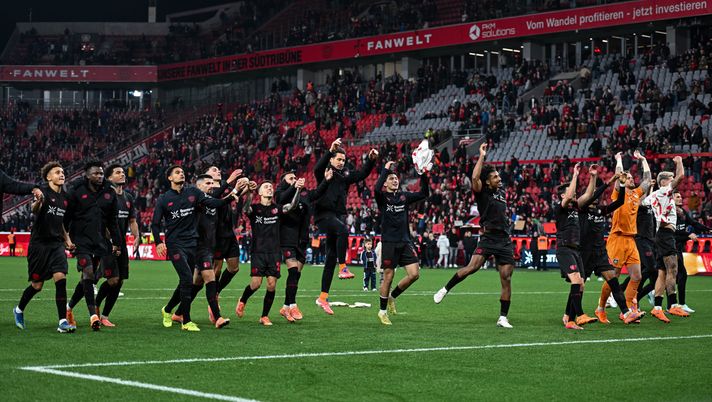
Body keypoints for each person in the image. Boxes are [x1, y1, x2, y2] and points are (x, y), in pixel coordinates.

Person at [433, 143, 514, 329]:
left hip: (504, 240)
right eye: (494, 177)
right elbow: (475, 177)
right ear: (487, 182)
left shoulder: (501, 193)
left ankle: (503, 317)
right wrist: (481, 156)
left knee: (506, 278)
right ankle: (445, 289)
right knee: (472, 268)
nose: (498, 178)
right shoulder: (482, 192)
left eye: (498, 176)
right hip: (488, 238)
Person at [154, 165, 238, 332]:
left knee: (191, 282)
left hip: (192, 243)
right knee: (187, 279)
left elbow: (214, 202)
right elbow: (155, 224)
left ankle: (169, 310)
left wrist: (233, 195)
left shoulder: (193, 193)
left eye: (182, 171)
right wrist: (158, 242)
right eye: (177, 172)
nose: (181, 173)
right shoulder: (164, 199)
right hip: (175, 244)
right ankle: (186, 320)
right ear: (170, 178)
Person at [312, 138, 378, 315]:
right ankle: (343, 267)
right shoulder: (325, 172)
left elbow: (362, 174)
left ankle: (323, 298)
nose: (341, 162)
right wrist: (329, 149)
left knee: (330, 258)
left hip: (336, 215)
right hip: (323, 215)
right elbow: (316, 169)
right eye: (338, 159)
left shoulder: (345, 175)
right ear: (332, 160)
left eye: (343, 160)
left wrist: (371, 160)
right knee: (343, 230)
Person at [235, 177, 310, 326]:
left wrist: (298, 190)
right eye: (266, 187)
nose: (269, 188)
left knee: (271, 284)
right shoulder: (255, 209)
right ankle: (243, 299)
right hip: (258, 251)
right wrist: (249, 193)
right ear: (260, 192)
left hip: (274, 252)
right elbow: (245, 209)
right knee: (256, 284)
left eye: (271, 186)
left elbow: (292, 205)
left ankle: (264, 316)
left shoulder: (277, 209)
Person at [13, 162, 76, 333]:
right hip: (39, 245)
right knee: (37, 285)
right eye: (57, 172)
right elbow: (35, 210)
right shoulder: (43, 192)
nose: (61, 174)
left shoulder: (64, 198)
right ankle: (18, 309)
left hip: (56, 244)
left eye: (63, 172)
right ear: (49, 177)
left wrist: (67, 240)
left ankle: (62, 321)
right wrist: (38, 202)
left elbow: (61, 222)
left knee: (61, 277)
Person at [578, 166, 642, 325]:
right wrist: (609, 182)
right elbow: (594, 195)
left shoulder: (600, 211)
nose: (597, 198)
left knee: (613, 280)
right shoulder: (582, 209)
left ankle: (626, 313)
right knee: (579, 285)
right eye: (592, 197)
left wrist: (619, 183)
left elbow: (620, 201)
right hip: (585, 253)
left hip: (599, 253)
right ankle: (571, 314)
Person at [65, 161, 122, 331]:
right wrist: (66, 239)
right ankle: (93, 315)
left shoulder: (109, 193)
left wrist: (117, 243)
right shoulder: (76, 191)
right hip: (80, 241)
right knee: (88, 271)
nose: (99, 176)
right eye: (96, 173)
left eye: (101, 173)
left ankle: (68, 308)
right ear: (87, 175)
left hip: (99, 242)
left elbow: (112, 222)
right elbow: (66, 217)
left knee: (87, 279)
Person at [374, 161, 429, 325]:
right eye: (391, 179)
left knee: (414, 274)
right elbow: (376, 189)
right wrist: (385, 169)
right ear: (385, 182)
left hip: (405, 241)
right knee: (388, 277)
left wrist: (422, 174)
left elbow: (424, 193)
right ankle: (382, 312)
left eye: (396, 178)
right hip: (389, 242)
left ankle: (392, 297)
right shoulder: (383, 198)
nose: (395, 180)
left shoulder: (404, 196)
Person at [599, 151, 652, 314]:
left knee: (637, 276)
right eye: (628, 178)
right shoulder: (618, 194)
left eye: (631, 178)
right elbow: (618, 176)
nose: (630, 179)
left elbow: (648, 180)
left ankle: (629, 309)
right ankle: (601, 307)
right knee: (613, 276)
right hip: (617, 238)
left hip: (631, 240)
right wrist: (619, 160)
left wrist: (643, 160)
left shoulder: (636, 194)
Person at [642, 156, 688, 322]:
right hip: (666, 234)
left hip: (659, 235)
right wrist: (679, 162)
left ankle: (657, 307)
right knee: (673, 268)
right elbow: (681, 176)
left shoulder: (654, 195)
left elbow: (641, 202)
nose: (673, 181)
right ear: (664, 182)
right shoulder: (665, 190)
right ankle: (673, 305)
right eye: (670, 179)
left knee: (662, 272)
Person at [275, 170, 324, 322]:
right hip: (287, 237)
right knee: (293, 271)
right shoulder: (280, 192)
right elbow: (282, 199)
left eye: (296, 178)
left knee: (296, 275)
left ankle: (285, 306)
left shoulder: (304, 194)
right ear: (284, 181)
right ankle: (293, 304)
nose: (295, 179)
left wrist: (326, 181)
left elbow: (317, 193)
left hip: (302, 239)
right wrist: (294, 187)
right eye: (291, 178)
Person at [94, 164, 140, 327]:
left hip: (121, 244)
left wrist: (137, 236)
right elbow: (103, 222)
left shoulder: (128, 198)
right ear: (109, 178)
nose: (122, 175)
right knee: (113, 280)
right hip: (107, 245)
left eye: (123, 172)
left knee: (120, 281)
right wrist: (112, 241)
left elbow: (132, 220)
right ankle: (95, 306)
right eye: (118, 172)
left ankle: (105, 316)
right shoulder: (105, 197)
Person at [205, 167, 244, 298]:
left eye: (218, 169)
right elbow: (213, 200)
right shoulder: (207, 190)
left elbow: (234, 199)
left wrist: (246, 189)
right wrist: (231, 183)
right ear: (207, 175)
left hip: (229, 233)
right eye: (214, 170)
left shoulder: (225, 187)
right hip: (216, 235)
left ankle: (216, 291)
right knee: (216, 270)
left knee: (234, 268)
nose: (218, 171)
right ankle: (213, 301)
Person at [673, 191, 711, 313]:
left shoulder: (683, 212)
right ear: (671, 199)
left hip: (678, 247)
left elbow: (694, 223)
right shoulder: (670, 213)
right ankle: (677, 304)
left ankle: (675, 304)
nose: (680, 198)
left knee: (675, 276)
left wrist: (708, 230)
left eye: (680, 196)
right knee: (679, 275)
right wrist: (688, 235)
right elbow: (673, 234)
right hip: (669, 247)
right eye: (677, 197)